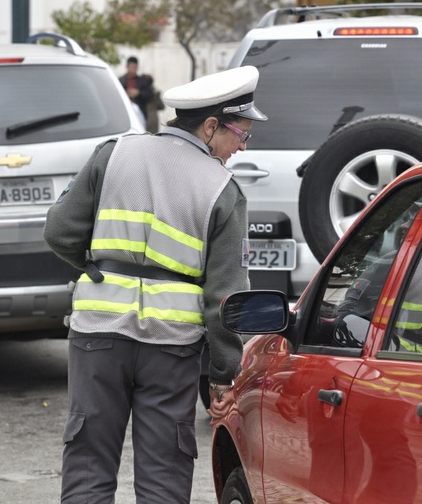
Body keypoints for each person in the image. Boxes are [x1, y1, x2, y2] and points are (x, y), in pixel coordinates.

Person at [43, 65, 267, 504]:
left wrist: (95, 269)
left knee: (88, 462)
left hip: (97, 335)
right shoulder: (223, 189)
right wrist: (222, 376)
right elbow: (226, 296)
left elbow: (58, 232)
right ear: (209, 127)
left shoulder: (113, 154)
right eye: (240, 135)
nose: (241, 147)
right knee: (164, 471)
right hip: (171, 347)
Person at [332, 200, 422, 353]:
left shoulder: (397, 261)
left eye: (413, 221)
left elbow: (349, 311)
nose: (403, 226)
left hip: (381, 359)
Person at [119, 56, 154, 128]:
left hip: (140, 112)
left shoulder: (142, 80)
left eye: (135, 67)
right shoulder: (120, 81)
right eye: (132, 67)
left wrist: (138, 93)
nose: (133, 70)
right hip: (124, 112)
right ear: (127, 67)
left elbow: (150, 94)